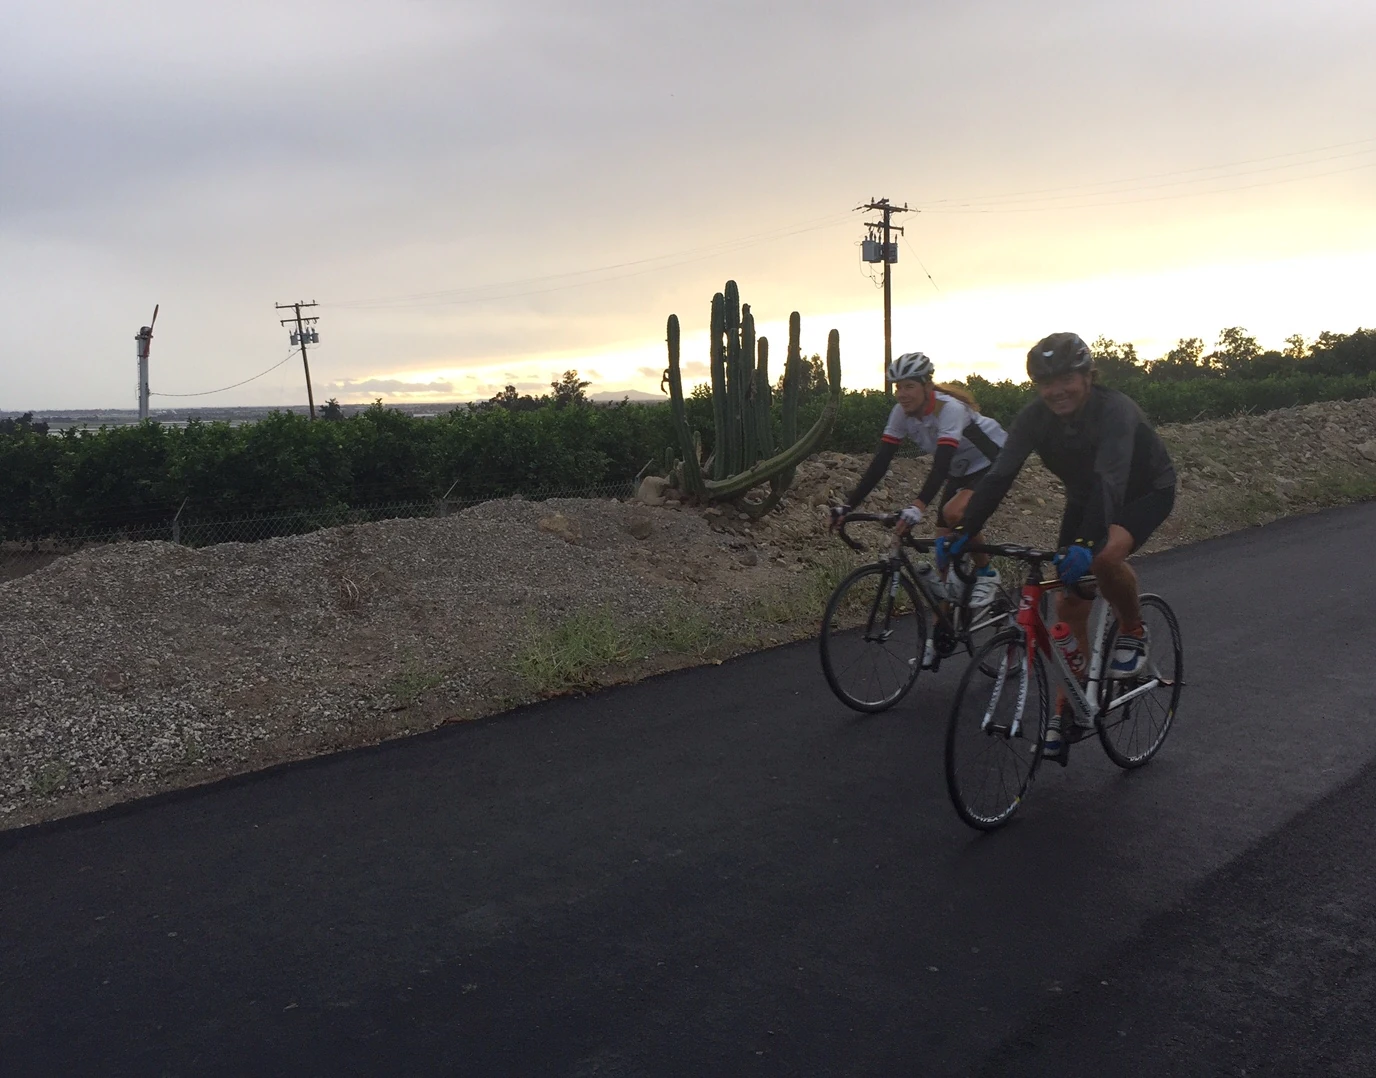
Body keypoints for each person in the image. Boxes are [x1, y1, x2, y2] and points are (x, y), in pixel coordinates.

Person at [937, 332, 1177, 759]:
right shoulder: (1035, 417)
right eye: (1046, 383)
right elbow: (1000, 475)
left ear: (1087, 376)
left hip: (1144, 491)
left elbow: (1110, 479)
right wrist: (964, 531)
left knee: (1103, 557)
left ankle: (1133, 629)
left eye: (1066, 379)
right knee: (1068, 602)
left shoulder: (1115, 410)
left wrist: (1084, 544)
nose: (1057, 390)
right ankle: (1074, 697)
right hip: (1086, 499)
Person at [829, 352, 1009, 662]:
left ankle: (987, 572)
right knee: (943, 560)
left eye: (909, 386)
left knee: (954, 513)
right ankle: (939, 639)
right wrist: (848, 505)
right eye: (898, 387)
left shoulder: (949, 409)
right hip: (960, 471)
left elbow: (939, 466)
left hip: (994, 463)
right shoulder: (901, 413)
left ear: (927, 386)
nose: (902, 393)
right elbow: (881, 462)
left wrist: (918, 506)